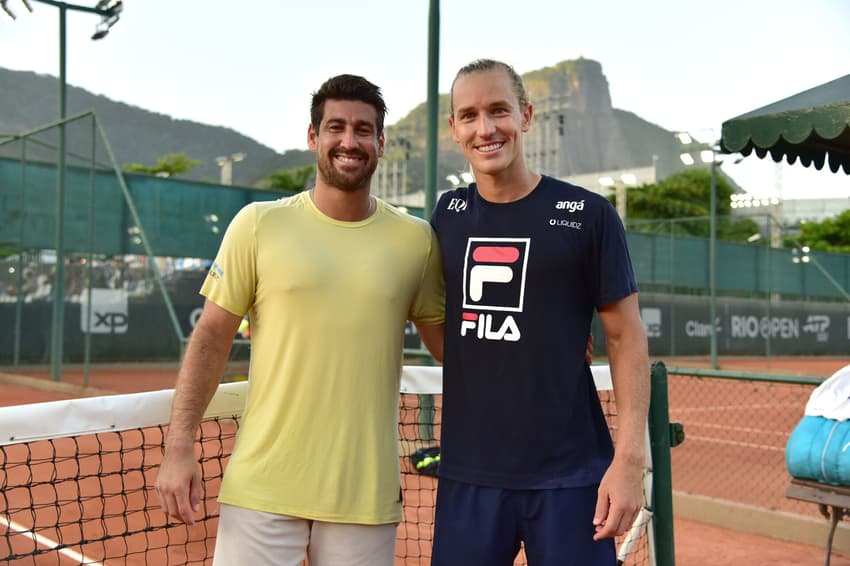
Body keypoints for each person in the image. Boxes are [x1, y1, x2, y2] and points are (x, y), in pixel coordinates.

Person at [155, 74, 445, 566]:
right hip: (262, 489)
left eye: (362, 129)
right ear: (313, 137)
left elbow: (455, 350)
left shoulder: (416, 241)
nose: (349, 141)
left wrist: (547, 346)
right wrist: (180, 443)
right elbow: (210, 338)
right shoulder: (257, 224)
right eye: (335, 127)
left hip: (364, 497)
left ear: (381, 143)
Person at [429, 59, 651, 565]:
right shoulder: (447, 216)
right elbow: (435, 318)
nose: (485, 128)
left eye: (499, 111)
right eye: (469, 115)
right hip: (469, 477)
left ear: (526, 116)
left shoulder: (590, 215)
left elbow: (626, 336)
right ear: (454, 129)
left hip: (571, 479)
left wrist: (630, 459)